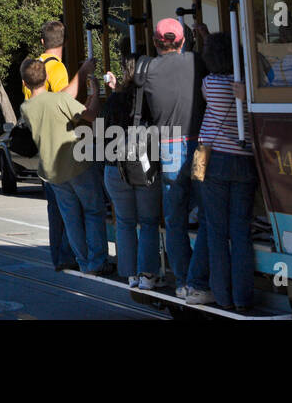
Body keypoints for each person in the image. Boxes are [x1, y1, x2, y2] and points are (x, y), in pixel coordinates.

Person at [20, 54, 111, 275]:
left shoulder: (27, 108)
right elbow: (90, 115)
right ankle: (98, 262)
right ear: (47, 77)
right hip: (77, 165)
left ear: (25, 83)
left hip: (53, 172)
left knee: (71, 218)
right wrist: (96, 91)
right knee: (93, 211)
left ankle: (83, 261)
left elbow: (65, 115)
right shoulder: (59, 99)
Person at [136, 17, 206, 298]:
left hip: (169, 149)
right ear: (182, 40)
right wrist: (206, 36)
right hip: (201, 148)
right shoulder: (197, 62)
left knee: (174, 220)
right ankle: (201, 279)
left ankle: (183, 281)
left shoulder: (148, 69)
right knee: (206, 213)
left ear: (156, 42)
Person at [187, 32, 256, 312]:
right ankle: (242, 297)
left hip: (205, 154)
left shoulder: (208, 83)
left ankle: (220, 295)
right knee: (240, 231)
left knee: (214, 228)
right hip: (242, 156)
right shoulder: (247, 87)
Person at [101, 53, 163, 289]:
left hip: (115, 169)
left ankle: (130, 274)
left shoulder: (115, 100)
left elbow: (103, 133)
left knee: (125, 222)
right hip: (145, 167)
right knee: (148, 222)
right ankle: (148, 275)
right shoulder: (152, 98)